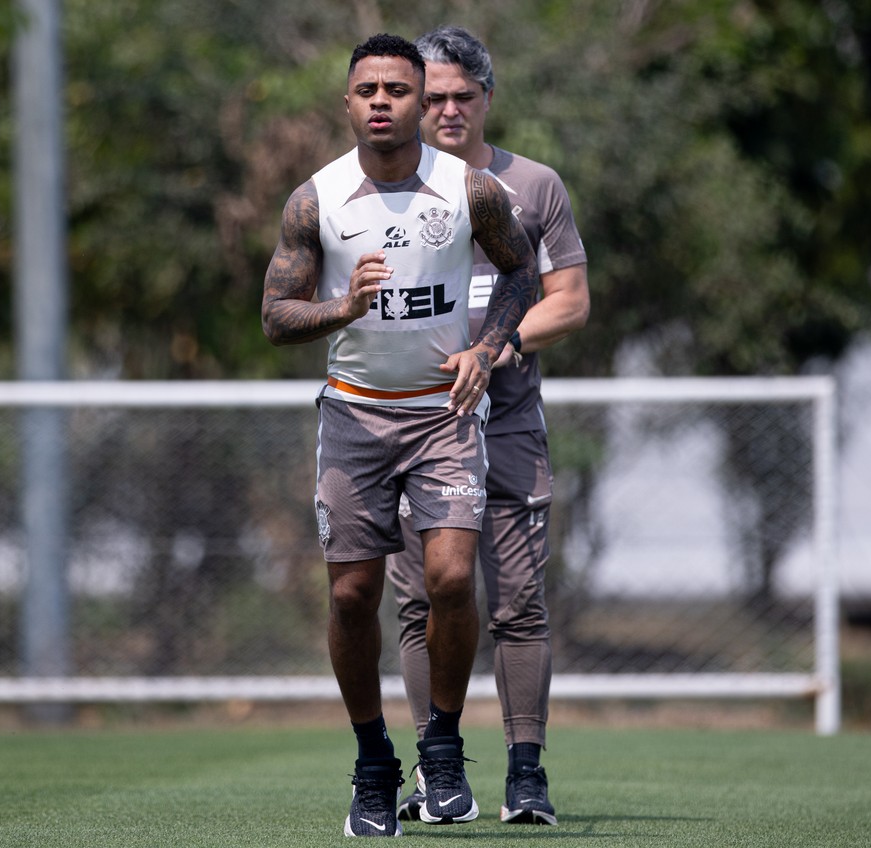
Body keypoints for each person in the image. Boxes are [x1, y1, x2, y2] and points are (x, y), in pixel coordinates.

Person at [261, 33, 539, 837]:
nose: (382, 100)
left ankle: (443, 748)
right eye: (367, 89)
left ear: (424, 101)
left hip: (443, 414)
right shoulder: (315, 199)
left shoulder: (470, 189)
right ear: (347, 103)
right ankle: (373, 760)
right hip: (352, 415)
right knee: (353, 595)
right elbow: (278, 317)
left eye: (398, 89)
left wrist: (486, 350)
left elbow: (522, 272)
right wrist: (345, 307)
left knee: (451, 580)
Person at [386, 25, 589, 827]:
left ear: (486, 99)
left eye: (460, 97)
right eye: (429, 97)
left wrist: (498, 345)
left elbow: (569, 300)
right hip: (412, 427)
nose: (445, 111)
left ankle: (527, 776)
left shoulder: (533, 186)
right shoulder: (385, 186)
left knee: (518, 605)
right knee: (420, 605)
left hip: (504, 428)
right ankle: (437, 770)